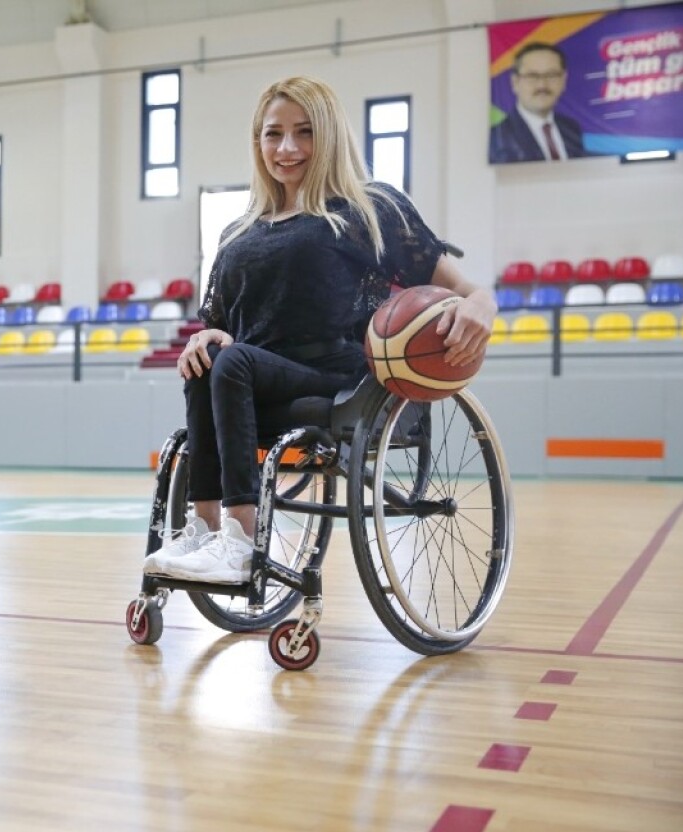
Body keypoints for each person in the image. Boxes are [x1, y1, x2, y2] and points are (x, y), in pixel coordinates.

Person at [144, 75, 495, 584]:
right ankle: (203, 528)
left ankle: (239, 543)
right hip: (251, 377)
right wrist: (205, 337)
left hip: (338, 377)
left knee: (233, 362)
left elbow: (463, 286)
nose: (287, 148)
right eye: (273, 134)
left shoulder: (368, 208)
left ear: (329, 136)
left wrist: (483, 305)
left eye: (304, 132)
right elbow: (220, 327)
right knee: (208, 363)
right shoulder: (238, 230)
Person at [489, 42, 590, 163]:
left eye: (551, 75)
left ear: (563, 80)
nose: (542, 85)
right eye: (532, 76)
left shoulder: (571, 128)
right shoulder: (497, 137)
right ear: (515, 82)